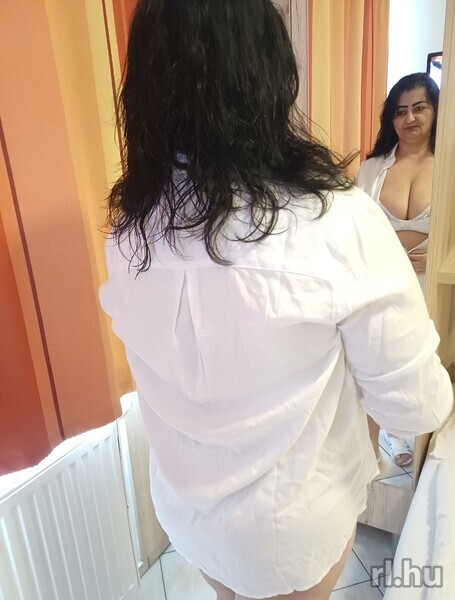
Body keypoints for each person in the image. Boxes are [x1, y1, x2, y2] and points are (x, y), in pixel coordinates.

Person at [99, 3, 453, 599]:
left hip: (190, 513)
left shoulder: (130, 230)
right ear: (269, 73)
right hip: (291, 525)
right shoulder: (336, 219)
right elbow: (418, 406)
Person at [356, 73, 439, 467]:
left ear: (436, 111)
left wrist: (441, 258)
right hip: (380, 284)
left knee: (420, 369)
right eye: (400, 111)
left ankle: (411, 438)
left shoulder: (449, 165)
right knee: (372, 369)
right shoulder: (372, 169)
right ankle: (370, 452)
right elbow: (353, 230)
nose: (410, 118)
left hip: (429, 285)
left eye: (419, 108)